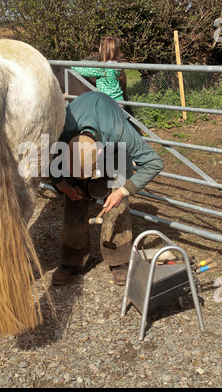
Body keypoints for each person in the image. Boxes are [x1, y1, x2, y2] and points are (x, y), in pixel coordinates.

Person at [50, 91, 164, 286]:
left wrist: (122, 191)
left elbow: (154, 163)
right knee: (74, 199)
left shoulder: (119, 132)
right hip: (79, 142)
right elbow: (50, 163)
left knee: (116, 204)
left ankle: (119, 258)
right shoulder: (61, 129)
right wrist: (66, 187)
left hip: (114, 150)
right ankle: (71, 260)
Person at [71, 36, 125, 102]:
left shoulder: (102, 68)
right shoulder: (117, 65)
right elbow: (96, 63)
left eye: (100, 47)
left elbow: (84, 71)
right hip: (119, 100)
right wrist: (84, 62)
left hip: (107, 102)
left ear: (103, 50)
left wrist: (72, 66)